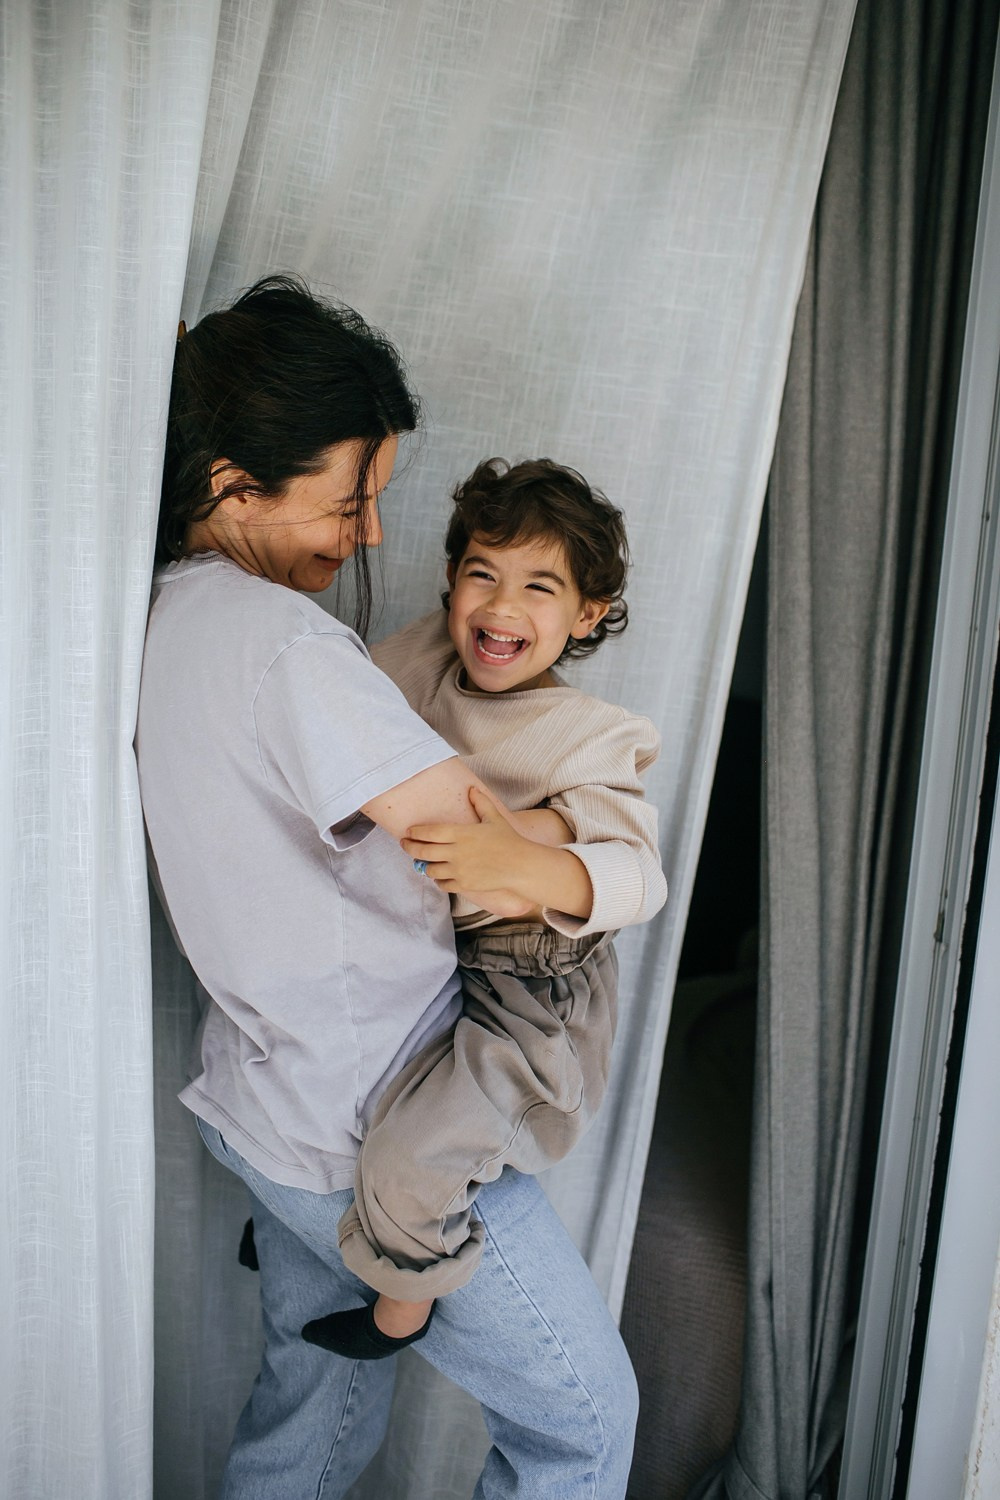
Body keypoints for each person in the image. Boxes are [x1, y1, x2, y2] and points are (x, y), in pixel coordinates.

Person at [136, 275, 640, 1500]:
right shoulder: (292, 648)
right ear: (232, 486)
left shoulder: (166, 621)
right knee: (584, 1421)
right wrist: (589, 840)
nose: (368, 535)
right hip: (378, 1120)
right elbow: (482, 843)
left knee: (313, 1422)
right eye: (351, 498)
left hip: (276, 1113)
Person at [296, 456, 667, 1363]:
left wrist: (527, 856)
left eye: (540, 587)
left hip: (536, 998)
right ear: (453, 580)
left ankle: (398, 1309)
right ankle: (313, 1228)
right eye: (482, 575)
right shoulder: (419, 656)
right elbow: (337, 715)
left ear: (585, 616)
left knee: (411, 1159)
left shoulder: (594, 734)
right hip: (428, 954)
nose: (502, 608)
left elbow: (637, 876)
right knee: (323, 1102)